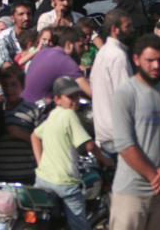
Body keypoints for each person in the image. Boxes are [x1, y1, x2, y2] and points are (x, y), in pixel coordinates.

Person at [110, 34, 160, 230]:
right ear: (136, 59)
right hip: (131, 192)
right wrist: (153, 177)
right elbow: (125, 144)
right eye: (150, 60)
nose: (156, 65)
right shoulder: (125, 93)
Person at [32, 76, 114, 230]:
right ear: (57, 99)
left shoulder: (53, 114)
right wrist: (105, 160)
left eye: (77, 96)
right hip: (64, 182)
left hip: (42, 179)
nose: (75, 101)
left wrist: (40, 163)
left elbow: (35, 136)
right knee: (79, 225)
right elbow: (89, 145)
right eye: (70, 97)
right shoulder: (69, 115)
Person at [91, 9, 134, 154]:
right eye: (128, 26)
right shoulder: (117, 56)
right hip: (117, 136)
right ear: (115, 29)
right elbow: (126, 97)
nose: (132, 30)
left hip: (104, 132)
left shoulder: (103, 52)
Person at [0, 65, 40, 184]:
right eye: (5, 85)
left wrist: (20, 134)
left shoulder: (32, 110)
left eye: (13, 85)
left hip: (25, 174)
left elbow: (42, 141)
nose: (9, 90)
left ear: (22, 86)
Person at [21, 26, 91, 102]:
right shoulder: (64, 60)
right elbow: (91, 93)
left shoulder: (44, 52)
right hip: (36, 110)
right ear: (68, 45)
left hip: (26, 105)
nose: (85, 49)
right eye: (81, 46)